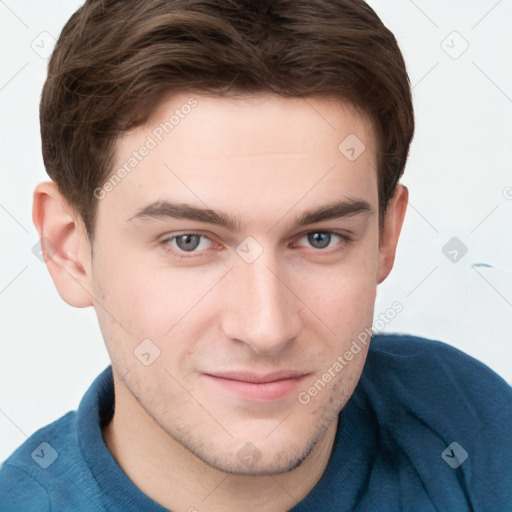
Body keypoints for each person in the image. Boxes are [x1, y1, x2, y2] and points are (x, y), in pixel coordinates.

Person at [1, 0, 510, 510]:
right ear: (69, 249)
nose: (267, 328)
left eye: (320, 238)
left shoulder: (466, 419)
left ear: (385, 238)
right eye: (189, 241)